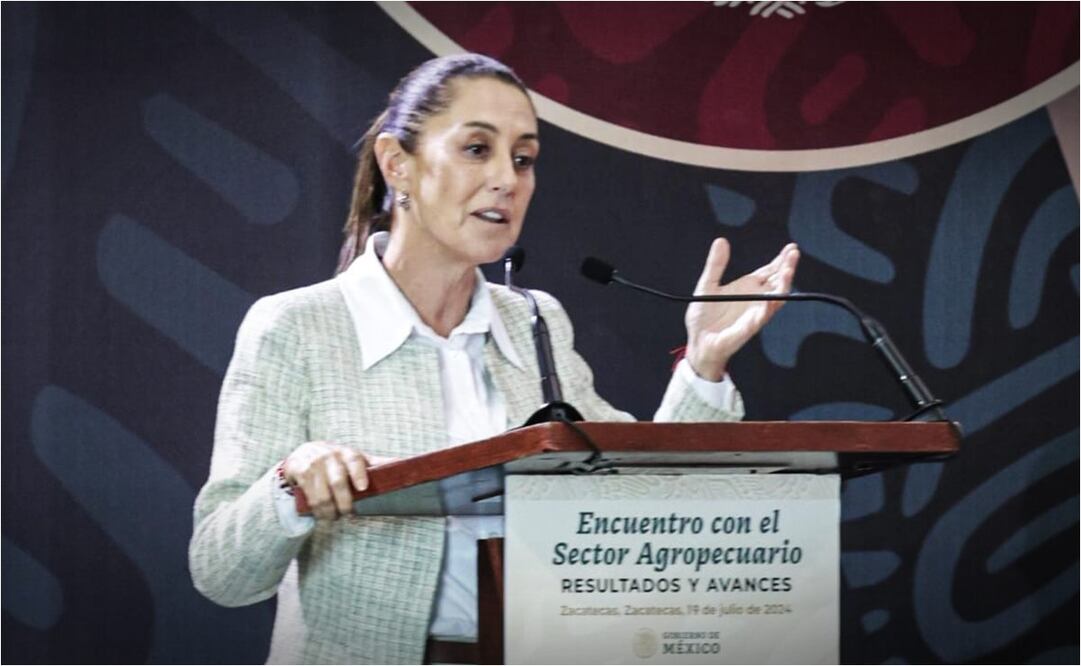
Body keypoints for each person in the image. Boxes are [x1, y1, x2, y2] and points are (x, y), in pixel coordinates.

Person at [188, 54, 798, 664]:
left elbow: (638, 500)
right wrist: (290, 483)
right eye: (478, 149)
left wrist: (703, 364)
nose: (508, 178)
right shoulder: (295, 327)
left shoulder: (536, 322)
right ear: (396, 162)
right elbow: (221, 569)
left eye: (523, 158)